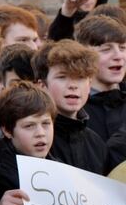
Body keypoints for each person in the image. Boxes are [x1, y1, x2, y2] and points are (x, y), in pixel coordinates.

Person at [33, 39, 108, 174]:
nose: (73, 85)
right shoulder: (33, 137)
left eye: (80, 77)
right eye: (62, 77)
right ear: (42, 86)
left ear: (89, 84)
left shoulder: (96, 144)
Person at [76, 15, 126, 141]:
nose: (118, 56)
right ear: (84, 55)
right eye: (106, 49)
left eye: (123, 48)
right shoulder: (74, 108)